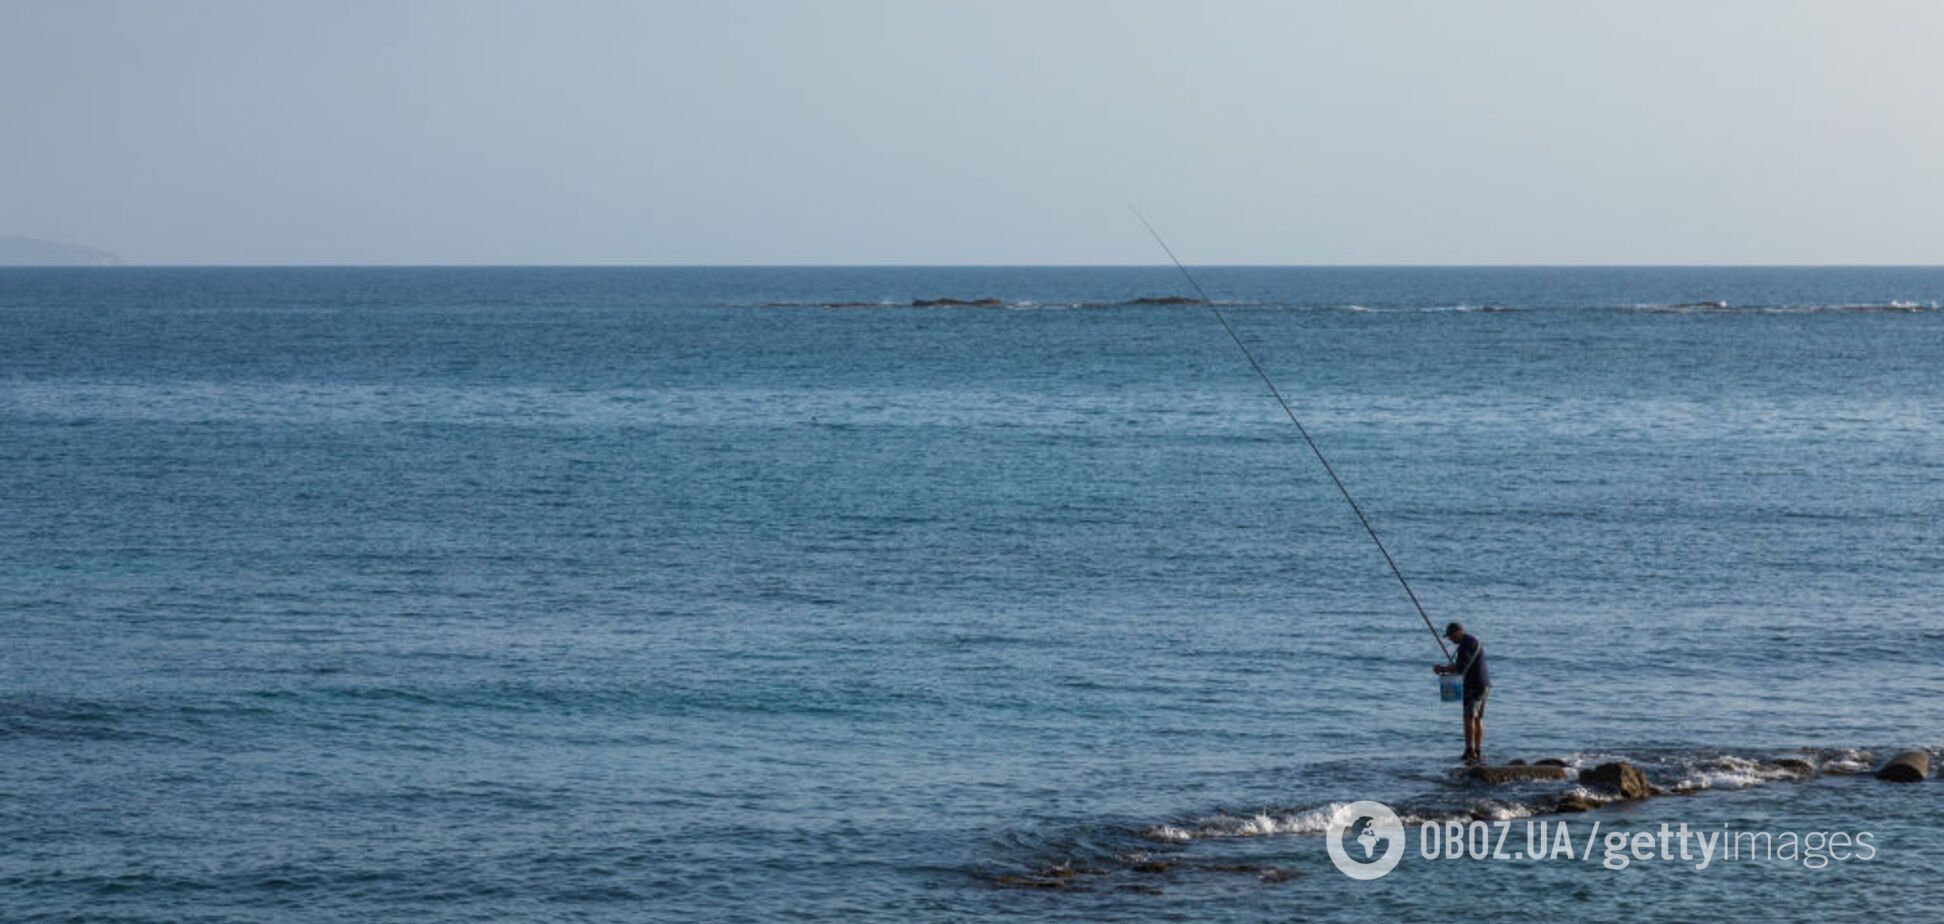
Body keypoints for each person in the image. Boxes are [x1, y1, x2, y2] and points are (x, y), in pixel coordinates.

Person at [1432, 622, 1490, 763]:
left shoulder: (1466, 645)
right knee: (1478, 718)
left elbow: (1459, 668)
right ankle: (1477, 750)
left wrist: (1442, 669)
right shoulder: (1472, 641)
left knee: (1468, 717)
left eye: (1451, 636)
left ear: (1458, 632)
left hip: (1473, 686)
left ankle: (1469, 750)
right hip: (1484, 684)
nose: (1450, 639)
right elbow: (1464, 666)